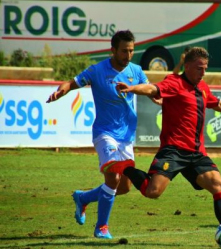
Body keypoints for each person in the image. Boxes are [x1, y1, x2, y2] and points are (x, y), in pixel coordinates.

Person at [104, 46, 221, 245]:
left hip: (196, 154)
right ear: (186, 66)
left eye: (205, 68)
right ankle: (125, 167)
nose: (203, 73)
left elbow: (217, 103)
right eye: (199, 68)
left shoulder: (202, 87)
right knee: (153, 192)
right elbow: (153, 88)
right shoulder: (175, 83)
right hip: (173, 151)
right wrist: (132, 88)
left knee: (219, 187)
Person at [47, 30, 153, 239]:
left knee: (123, 187)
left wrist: (153, 96)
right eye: (124, 51)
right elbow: (71, 82)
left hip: (126, 136)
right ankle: (101, 227)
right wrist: (61, 91)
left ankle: (83, 197)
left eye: (131, 51)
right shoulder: (97, 70)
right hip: (105, 132)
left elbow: (149, 87)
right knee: (113, 175)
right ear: (113, 50)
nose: (128, 55)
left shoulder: (136, 70)